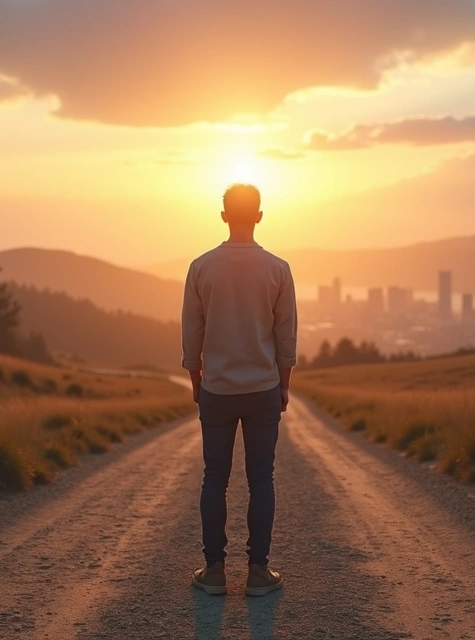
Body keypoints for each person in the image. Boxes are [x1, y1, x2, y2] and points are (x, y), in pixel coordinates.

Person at [183, 183, 297, 597]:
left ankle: (214, 572)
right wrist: (283, 387)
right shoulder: (278, 268)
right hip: (263, 387)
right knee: (260, 479)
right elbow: (286, 338)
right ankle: (257, 573)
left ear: (224, 215)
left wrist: (198, 383)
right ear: (260, 216)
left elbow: (191, 335)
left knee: (214, 478)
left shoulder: (201, 266)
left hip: (217, 389)